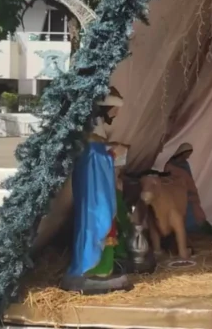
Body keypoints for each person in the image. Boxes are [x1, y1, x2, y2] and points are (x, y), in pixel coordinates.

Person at [61, 87, 133, 294]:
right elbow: (94, 157)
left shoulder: (97, 129)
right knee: (97, 223)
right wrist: (111, 153)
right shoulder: (91, 132)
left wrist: (110, 151)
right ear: (105, 108)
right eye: (115, 109)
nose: (116, 114)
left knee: (105, 223)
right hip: (95, 191)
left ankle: (103, 270)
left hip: (98, 186)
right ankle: (91, 272)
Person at [164, 143, 212, 235]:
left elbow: (189, 179)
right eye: (188, 153)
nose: (188, 156)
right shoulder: (170, 165)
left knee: (195, 211)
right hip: (177, 194)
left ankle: (196, 229)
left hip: (188, 193)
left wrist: (191, 191)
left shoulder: (185, 164)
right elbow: (167, 179)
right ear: (182, 152)